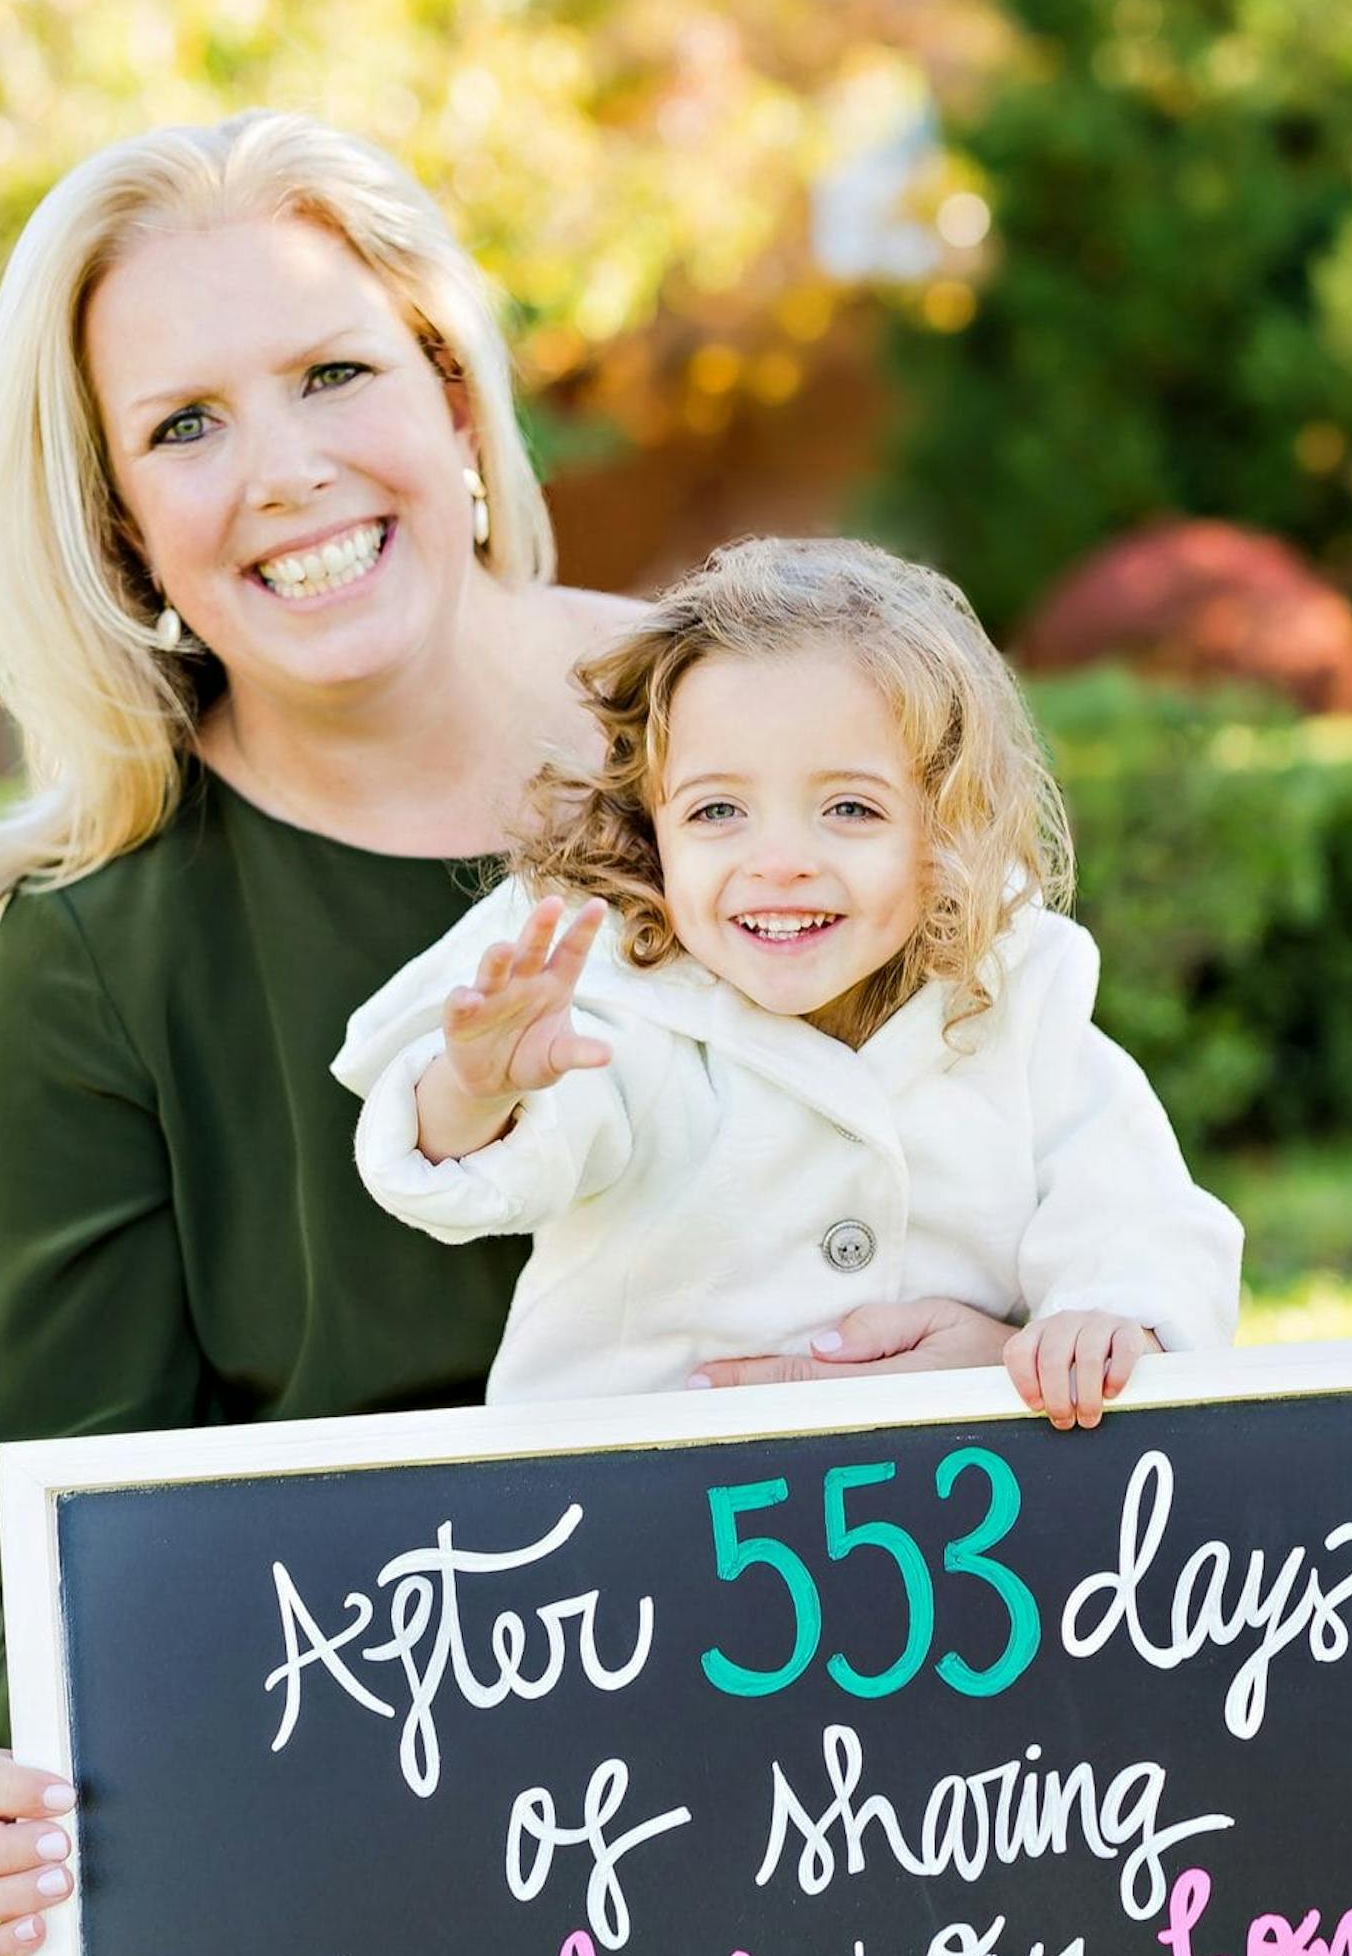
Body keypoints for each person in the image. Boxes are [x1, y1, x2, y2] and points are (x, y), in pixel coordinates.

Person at [0, 113, 1050, 1956]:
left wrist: (1017, 1352)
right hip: (451, 1916)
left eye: (333, 373)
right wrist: (31, 1797)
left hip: (925, 1810)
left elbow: (1062, 1146)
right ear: (120, 520)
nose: (281, 470)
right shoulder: (102, 958)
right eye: (183, 426)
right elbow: (73, 1550)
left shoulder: (784, 718)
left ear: (452, 399)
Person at [336, 537, 1241, 1402]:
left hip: (940, 1513)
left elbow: (1137, 1206)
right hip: (632, 1518)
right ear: (651, 826)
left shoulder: (1009, 1000)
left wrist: (1118, 1317)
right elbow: (499, 1167)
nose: (778, 861)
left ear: (945, 826)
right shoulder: (620, 992)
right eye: (718, 809)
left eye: (848, 807)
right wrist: (479, 1087)